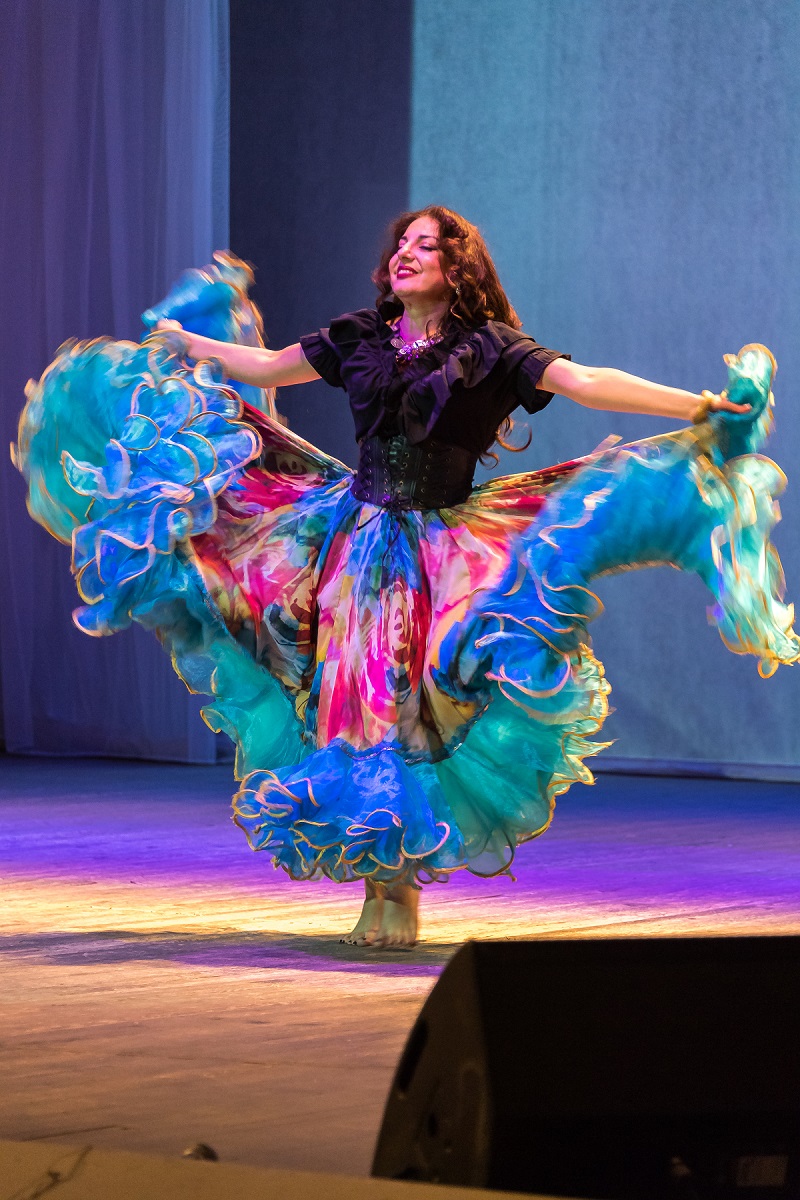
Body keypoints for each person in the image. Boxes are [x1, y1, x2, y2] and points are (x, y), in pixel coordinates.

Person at [15, 207, 799, 949]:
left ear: (458, 267)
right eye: (401, 243)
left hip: (444, 548)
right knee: (357, 704)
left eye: (425, 245)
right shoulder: (360, 336)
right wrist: (191, 343)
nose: (405, 254)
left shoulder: (492, 348)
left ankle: (404, 888)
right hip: (351, 540)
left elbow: (588, 382)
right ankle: (379, 889)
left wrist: (697, 405)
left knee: (413, 705)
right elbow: (270, 366)